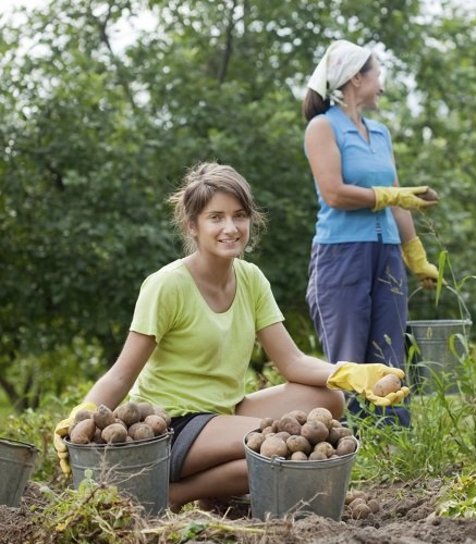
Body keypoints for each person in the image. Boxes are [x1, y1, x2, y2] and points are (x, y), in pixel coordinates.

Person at [53, 162, 409, 512]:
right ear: (192, 226)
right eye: (216, 217)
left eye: (239, 215)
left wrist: (353, 374)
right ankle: (176, 493)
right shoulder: (167, 286)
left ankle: (213, 490)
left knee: (327, 401)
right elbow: (120, 374)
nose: (231, 227)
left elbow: (292, 362)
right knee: (276, 445)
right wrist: (81, 414)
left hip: (226, 409)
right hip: (173, 425)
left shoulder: (251, 279)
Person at [301, 40, 440, 426]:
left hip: (388, 253)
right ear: (356, 78)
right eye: (377, 74)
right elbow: (334, 193)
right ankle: (349, 440)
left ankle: (393, 437)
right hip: (341, 254)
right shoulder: (323, 127)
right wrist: (387, 195)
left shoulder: (379, 133)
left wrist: (416, 256)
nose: (381, 84)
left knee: (389, 348)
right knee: (348, 354)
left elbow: (399, 201)